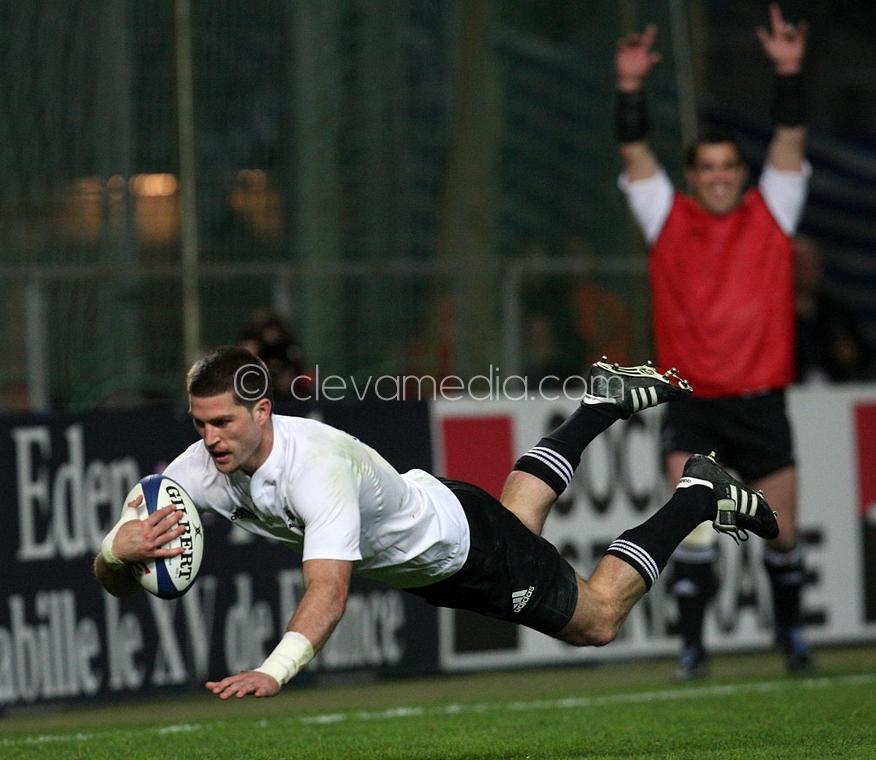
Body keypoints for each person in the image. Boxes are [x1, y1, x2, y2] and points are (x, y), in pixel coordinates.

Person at [94, 347, 778, 699]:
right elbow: (132, 578)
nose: (210, 438)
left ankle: (696, 494)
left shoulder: (314, 468)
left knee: (596, 620)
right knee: (520, 519)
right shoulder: (194, 470)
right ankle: (601, 404)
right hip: (442, 529)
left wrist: (275, 670)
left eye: (222, 422)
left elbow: (329, 592)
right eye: (200, 423)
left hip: (461, 550)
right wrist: (115, 554)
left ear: (262, 411)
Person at [614, 3, 812, 678]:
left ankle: (793, 639)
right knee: (695, 532)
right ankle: (692, 651)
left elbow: (790, 141)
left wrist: (789, 72)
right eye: (707, 167)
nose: (720, 175)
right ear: (693, 176)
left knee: (781, 535)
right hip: (695, 405)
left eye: (730, 165)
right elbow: (635, 152)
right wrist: (630, 87)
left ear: (742, 172)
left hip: (761, 403)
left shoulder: (773, 211)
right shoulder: (666, 218)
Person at [794, 235, 872, 383]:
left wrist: (852, 354)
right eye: (800, 263)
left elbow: (863, 351)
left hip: (835, 387)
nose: (806, 270)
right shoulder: (772, 312)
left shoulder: (835, 309)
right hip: (791, 385)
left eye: (811, 264)